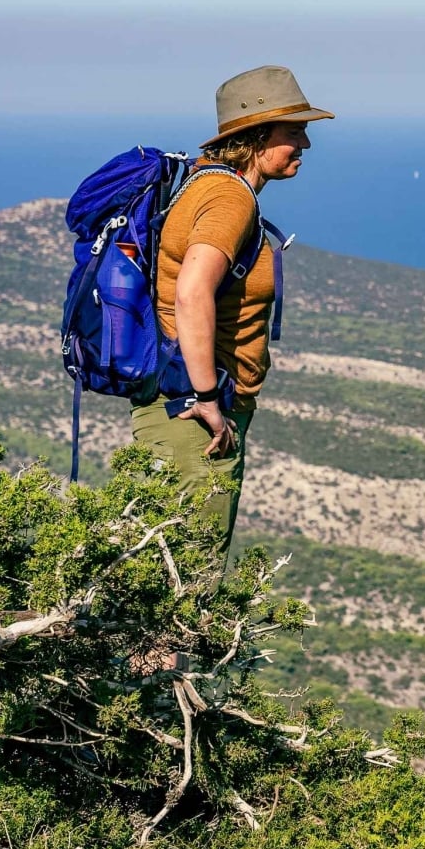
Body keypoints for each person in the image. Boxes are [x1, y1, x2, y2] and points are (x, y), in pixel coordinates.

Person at [130, 65, 333, 552]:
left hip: (176, 405)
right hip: (194, 413)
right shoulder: (228, 198)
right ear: (256, 137)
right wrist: (206, 398)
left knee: (165, 572)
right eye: (294, 131)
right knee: (189, 579)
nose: (304, 144)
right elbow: (193, 293)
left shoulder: (203, 183)